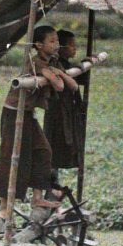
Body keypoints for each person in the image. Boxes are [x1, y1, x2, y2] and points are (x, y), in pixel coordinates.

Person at [0, 25, 77, 221]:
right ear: (39, 45)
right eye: (52, 41)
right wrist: (55, 73)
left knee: (43, 151)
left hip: (28, 113)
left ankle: (38, 198)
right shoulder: (36, 63)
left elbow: (71, 86)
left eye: (58, 41)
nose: (57, 45)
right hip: (14, 113)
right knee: (13, 158)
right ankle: (4, 207)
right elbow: (59, 85)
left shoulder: (52, 61)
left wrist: (58, 71)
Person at [43, 30, 86, 188]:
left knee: (59, 151)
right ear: (60, 48)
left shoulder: (64, 64)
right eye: (72, 46)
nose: (75, 49)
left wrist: (83, 65)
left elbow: (78, 77)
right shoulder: (54, 64)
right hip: (57, 114)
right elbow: (71, 84)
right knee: (53, 150)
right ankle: (51, 187)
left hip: (66, 113)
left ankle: (53, 188)